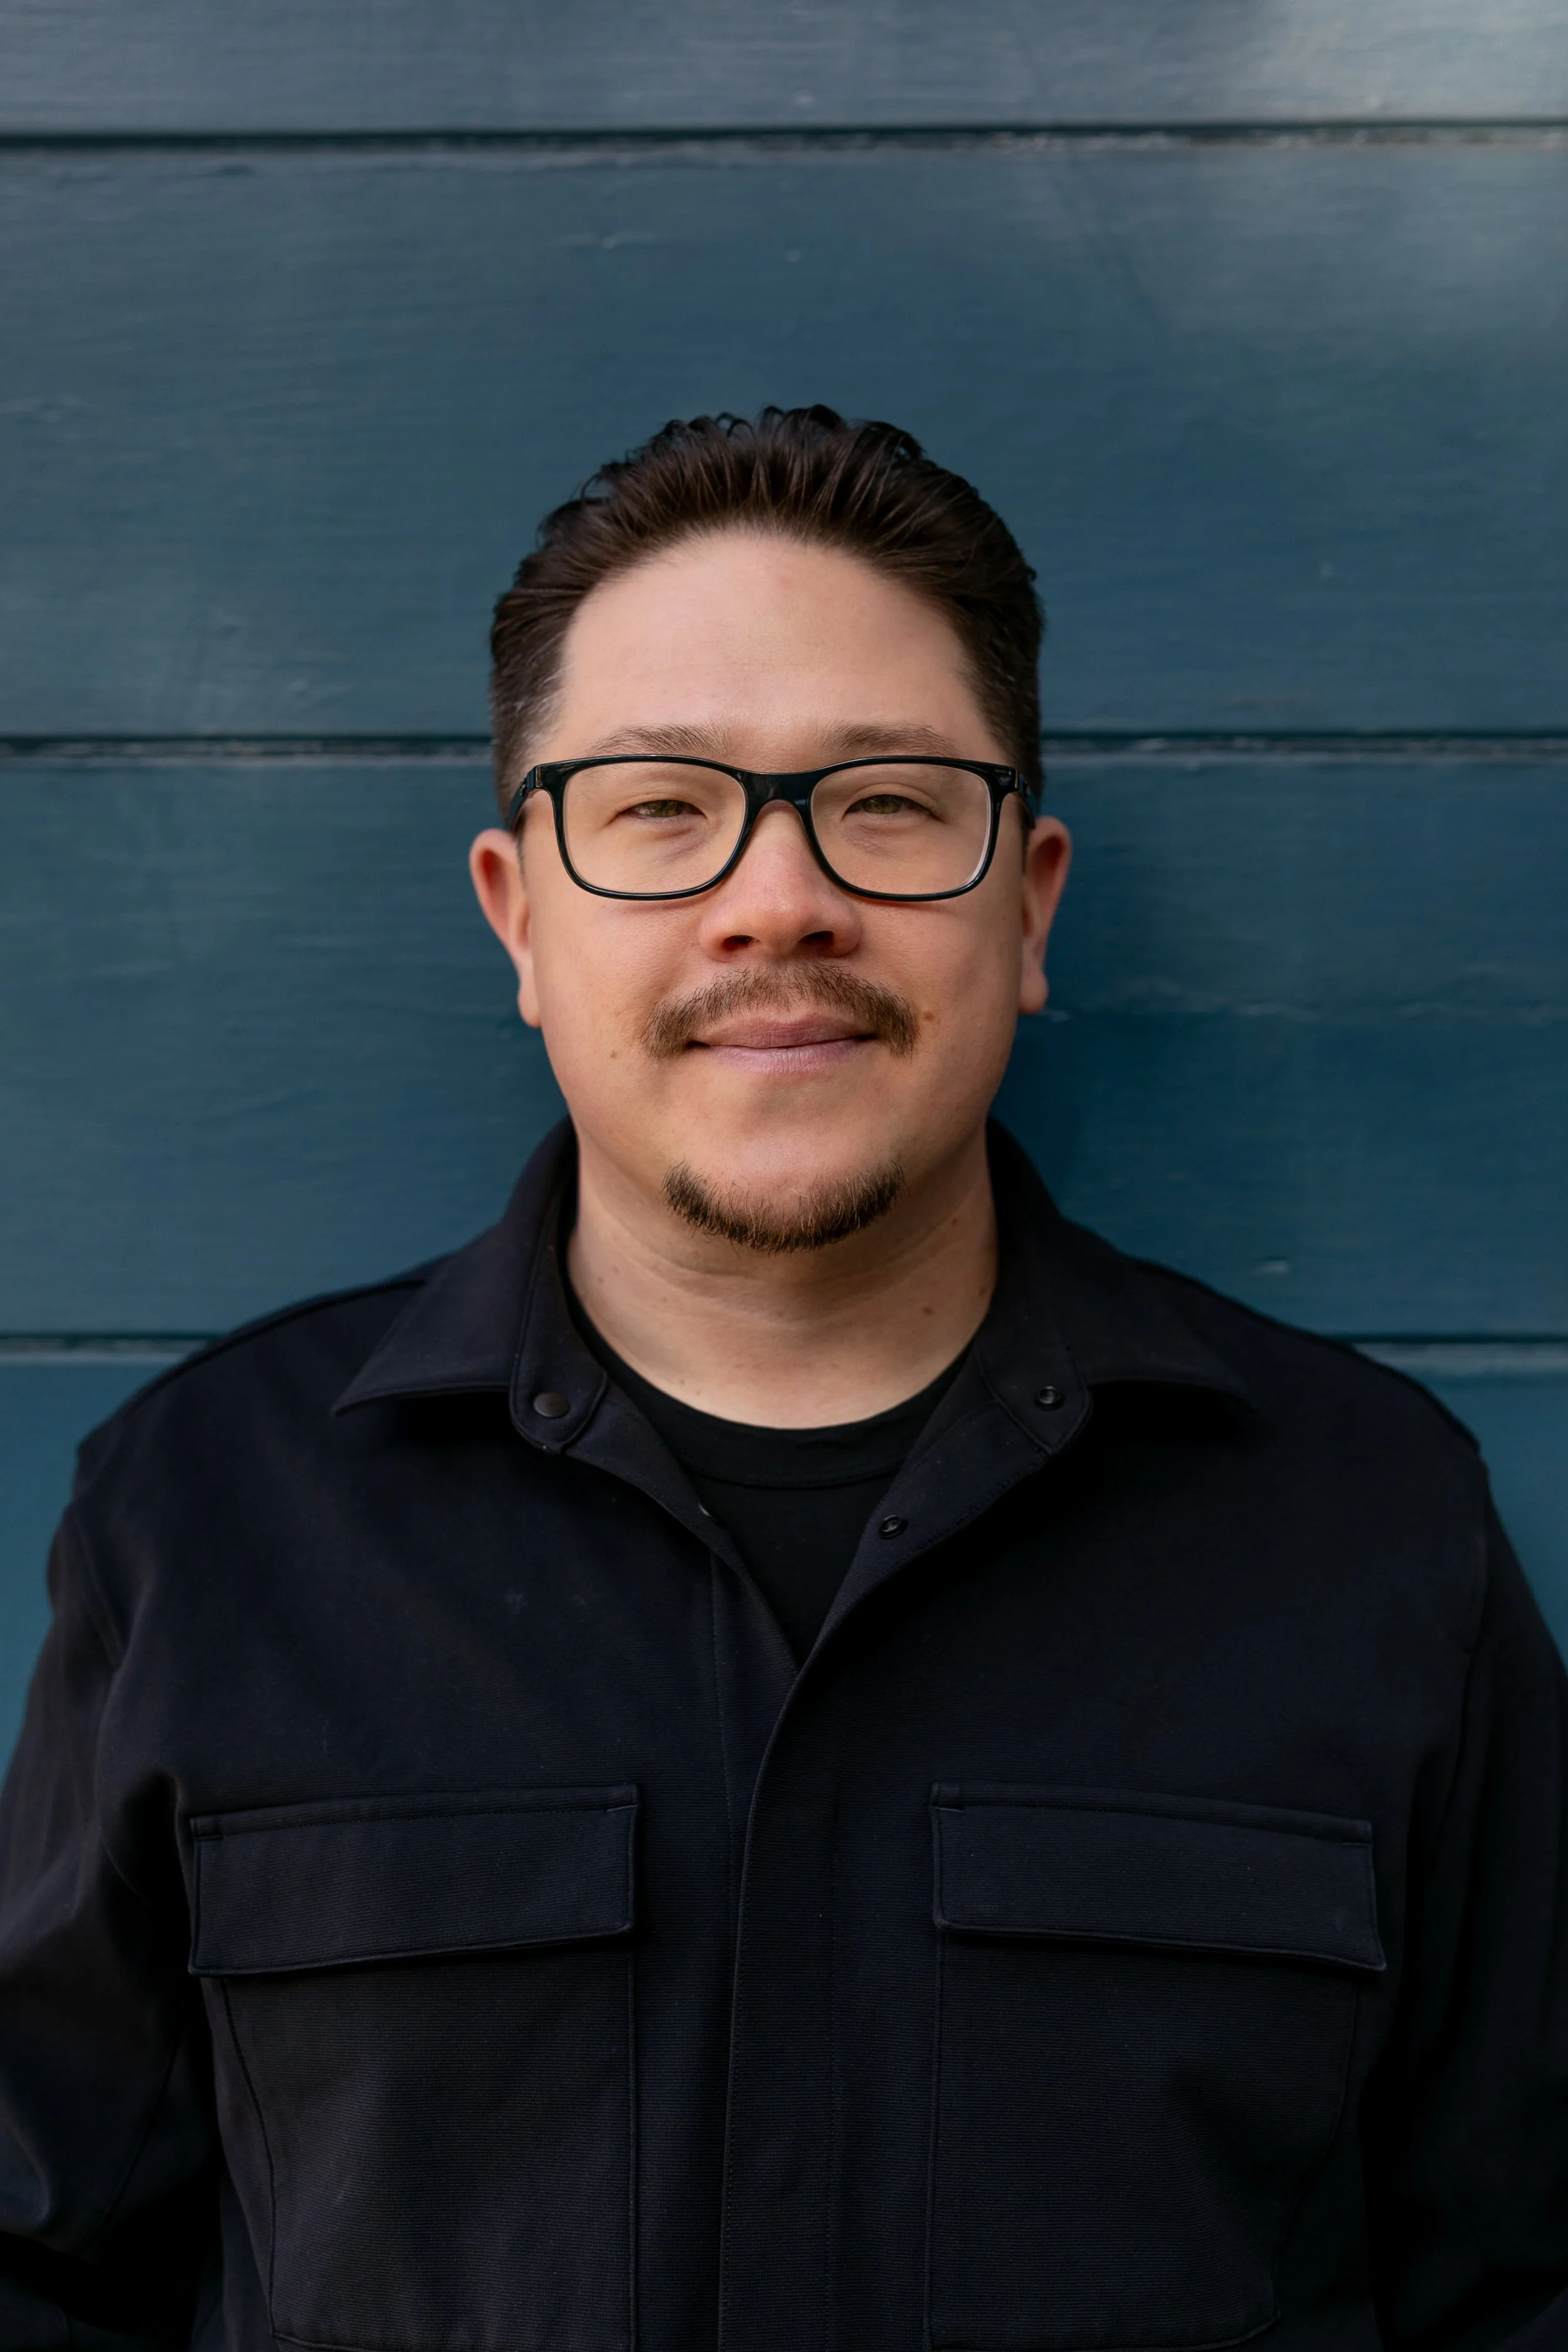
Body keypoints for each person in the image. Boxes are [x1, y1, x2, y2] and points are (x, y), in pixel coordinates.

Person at [1, 405, 1564, 2352]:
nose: (777, 898)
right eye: (660, 805)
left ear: (1029, 902)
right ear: (519, 915)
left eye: (890, 799)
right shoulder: (202, 1521)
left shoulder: (1368, 1526)